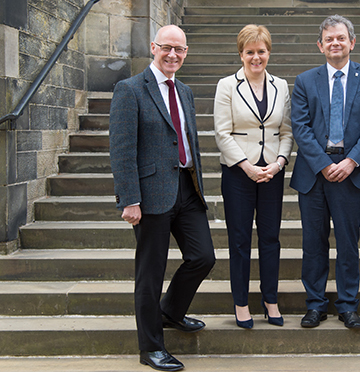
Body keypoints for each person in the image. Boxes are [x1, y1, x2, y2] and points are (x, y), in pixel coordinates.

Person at [109, 25, 216, 371]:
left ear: (186, 53)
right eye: (167, 47)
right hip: (150, 194)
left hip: (186, 188)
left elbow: (189, 142)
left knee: (203, 257)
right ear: (153, 47)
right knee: (150, 273)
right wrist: (129, 199)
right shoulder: (129, 90)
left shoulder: (184, 90)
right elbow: (122, 149)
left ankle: (170, 311)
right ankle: (150, 347)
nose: (173, 55)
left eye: (180, 50)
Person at [290, 15, 360, 329]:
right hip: (314, 173)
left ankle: (347, 306)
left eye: (341, 38)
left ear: (351, 42)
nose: (335, 43)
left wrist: (352, 161)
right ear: (320, 45)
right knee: (313, 242)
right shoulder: (305, 81)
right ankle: (315, 305)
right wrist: (324, 164)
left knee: (348, 242)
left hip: (350, 172)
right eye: (329, 39)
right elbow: (301, 129)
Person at [214, 24, 293, 329]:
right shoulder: (227, 85)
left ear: (268, 53)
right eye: (250, 52)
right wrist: (246, 166)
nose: (256, 57)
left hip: (272, 174)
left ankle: (270, 300)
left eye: (261, 51)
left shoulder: (281, 86)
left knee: (271, 238)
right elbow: (221, 132)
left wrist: (279, 163)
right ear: (241, 53)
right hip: (238, 174)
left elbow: (286, 131)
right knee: (240, 240)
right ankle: (242, 303)